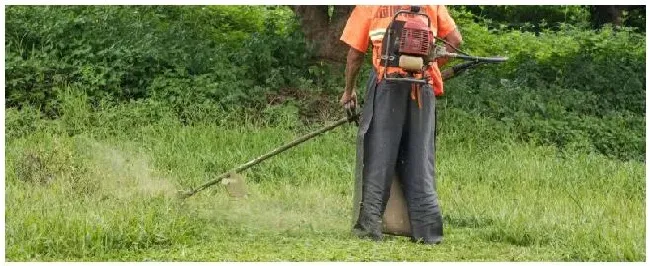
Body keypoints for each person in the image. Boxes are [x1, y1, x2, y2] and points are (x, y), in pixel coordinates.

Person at [339, 5, 463, 245]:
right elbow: (455, 40)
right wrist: (428, 65)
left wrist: (349, 90)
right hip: (423, 87)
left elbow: (355, 55)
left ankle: (370, 227)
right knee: (420, 158)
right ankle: (428, 232)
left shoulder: (370, 5)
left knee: (379, 157)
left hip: (387, 85)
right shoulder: (431, 4)